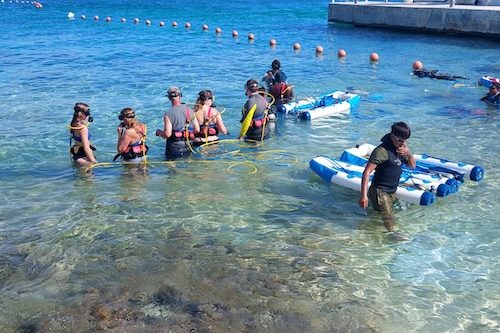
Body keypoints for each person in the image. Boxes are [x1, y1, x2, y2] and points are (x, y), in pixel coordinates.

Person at [359, 122, 416, 232]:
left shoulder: (401, 149)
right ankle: (393, 237)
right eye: (400, 140)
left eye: (404, 141)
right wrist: (363, 196)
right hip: (380, 191)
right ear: (392, 136)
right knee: (388, 218)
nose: (402, 144)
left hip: (392, 191)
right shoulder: (382, 151)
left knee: (386, 213)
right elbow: (367, 172)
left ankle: (373, 226)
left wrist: (408, 153)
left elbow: (412, 166)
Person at [155, 86, 200, 160]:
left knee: (172, 169)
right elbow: (197, 130)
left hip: (174, 148)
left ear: (169, 98)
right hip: (188, 146)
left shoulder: (168, 113)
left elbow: (167, 134)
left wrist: (159, 132)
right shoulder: (190, 111)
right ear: (180, 96)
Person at [69, 102, 97, 167]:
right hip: (84, 156)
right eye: (87, 113)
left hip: (77, 155)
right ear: (80, 114)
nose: (89, 115)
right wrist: (94, 162)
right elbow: (86, 148)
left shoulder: (74, 124)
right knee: (91, 175)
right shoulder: (83, 128)